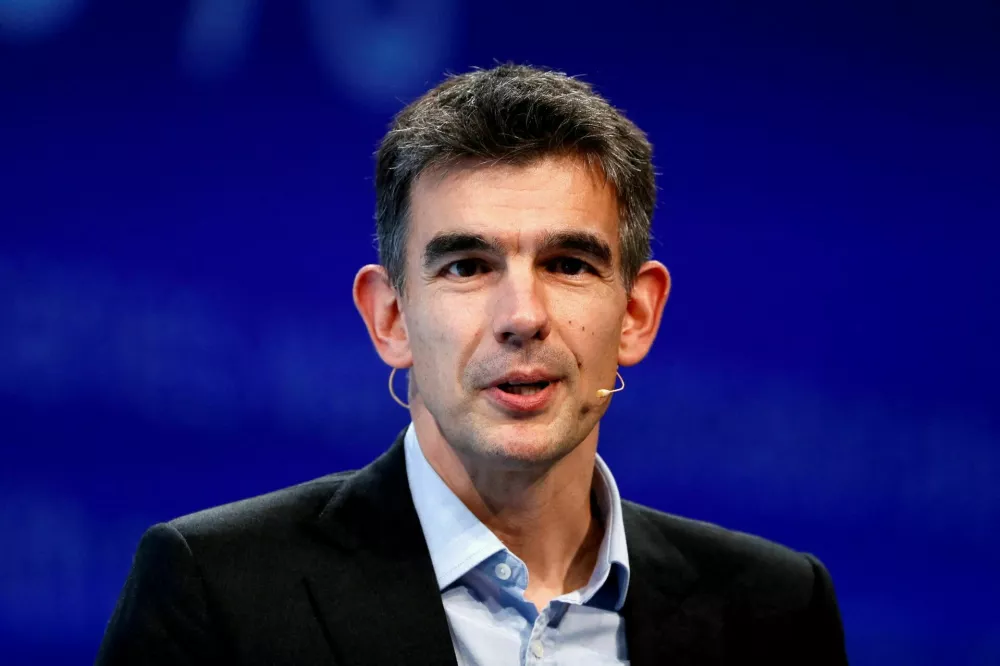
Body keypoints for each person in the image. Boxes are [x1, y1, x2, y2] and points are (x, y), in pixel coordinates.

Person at [96, 63, 848, 665]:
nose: (522, 316)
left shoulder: (775, 609)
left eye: (568, 264)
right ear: (390, 317)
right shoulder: (217, 591)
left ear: (637, 314)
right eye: (465, 267)